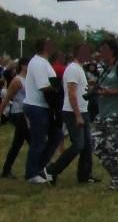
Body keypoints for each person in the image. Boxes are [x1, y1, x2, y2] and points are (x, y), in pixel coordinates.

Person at [48, 42, 100, 185]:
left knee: (87, 145)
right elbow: (71, 93)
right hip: (73, 112)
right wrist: (77, 115)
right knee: (78, 145)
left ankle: (85, 175)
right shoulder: (72, 69)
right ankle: (52, 170)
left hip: (83, 110)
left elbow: (78, 91)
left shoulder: (79, 68)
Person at [91, 38, 118, 191]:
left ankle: (117, 180)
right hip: (103, 114)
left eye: (103, 50)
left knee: (115, 149)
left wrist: (112, 93)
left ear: (111, 50)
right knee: (97, 145)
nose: (100, 53)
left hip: (117, 114)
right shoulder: (106, 68)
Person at [22, 38, 62, 184]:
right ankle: (32, 174)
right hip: (37, 106)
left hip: (44, 107)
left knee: (56, 136)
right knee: (38, 141)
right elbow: (43, 86)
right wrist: (59, 87)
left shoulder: (43, 63)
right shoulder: (38, 63)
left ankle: (40, 168)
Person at [1, 58, 29, 179]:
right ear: (23, 66)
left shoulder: (29, 80)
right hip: (18, 113)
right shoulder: (17, 80)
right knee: (32, 140)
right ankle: (38, 168)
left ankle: (6, 170)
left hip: (27, 113)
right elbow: (7, 98)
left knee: (17, 143)